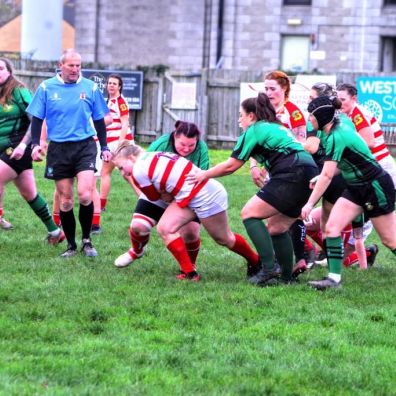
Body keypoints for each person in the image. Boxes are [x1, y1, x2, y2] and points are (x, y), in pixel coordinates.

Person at [189, 93, 318, 287]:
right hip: (310, 173)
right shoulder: (277, 127)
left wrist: (203, 174)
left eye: (241, 114)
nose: (239, 119)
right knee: (277, 228)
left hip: (292, 172)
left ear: (251, 116)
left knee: (249, 213)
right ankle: (286, 277)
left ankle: (268, 268)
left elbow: (231, 165)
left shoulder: (254, 129)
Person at [112, 140, 259, 281]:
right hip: (196, 193)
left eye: (121, 167)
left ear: (131, 158)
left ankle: (257, 262)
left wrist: (164, 192)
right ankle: (189, 273)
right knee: (165, 228)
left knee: (224, 238)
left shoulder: (138, 170)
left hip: (205, 196)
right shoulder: (154, 154)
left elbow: (152, 196)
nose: (122, 173)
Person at [301, 96, 396, 290]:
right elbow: (342, 164)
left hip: (374, 186)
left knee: (389, 240)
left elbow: (327, 174)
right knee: (331, 229)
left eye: (311, 116)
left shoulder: (337, 135)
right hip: (355, 187)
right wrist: (320, 177)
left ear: (322, 116)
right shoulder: (338, 123)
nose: (309, 121)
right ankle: (334, 280)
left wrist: (309, 204)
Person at [27, 49, 111, 258]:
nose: (75, 69)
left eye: (78, 66)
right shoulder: (46, 87)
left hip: (85, 146)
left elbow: (100, 119)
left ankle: (87, 241)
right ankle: (72, 245)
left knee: (84, 194)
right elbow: (37, 118)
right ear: (61, 65)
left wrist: (105, 147)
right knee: (65, 200)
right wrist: (36, 144)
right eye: (71, 65)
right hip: (59, 149)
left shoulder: (90, 88)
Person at [114, 121, 209, 269]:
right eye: (182, 144)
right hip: (158, 194)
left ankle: (190, 266)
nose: (186, 149)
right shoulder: (161, 144)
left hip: (186, 195)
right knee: (138, 225)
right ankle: (136, 251)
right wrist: (148, 195)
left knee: (190, 232)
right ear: (174, 136)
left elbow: (203, 177)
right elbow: (140, 172)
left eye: (191, 145)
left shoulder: (202, 148)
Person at [250, 70, 309, 278]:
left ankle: (293, 258)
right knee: (278, 222)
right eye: (265, 88)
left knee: (283, 217)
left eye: (272, 89)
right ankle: (285, 265)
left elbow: (302, 144)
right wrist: (254, 166)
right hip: (274, 171)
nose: (268, 92)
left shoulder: (294, 112)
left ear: (284, 89)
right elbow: (254, 141)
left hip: (291, 171)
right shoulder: (262, 111)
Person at [0, 57, 64, 243]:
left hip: (17, 149)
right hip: (4, 150)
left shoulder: (19, 91)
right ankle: (55, 232)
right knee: (29, 193)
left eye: (1, 68)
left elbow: (35, 119)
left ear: (9, 71)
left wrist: (25, 144)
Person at [336, 83, 396, 188]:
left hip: (379, 164)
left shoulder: (358, 114)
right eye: (337, 100)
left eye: (343, 100)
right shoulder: (348, 114)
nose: (339, 103)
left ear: (353, 98)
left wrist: (344, 149)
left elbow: (369, 143)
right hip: (370, 165)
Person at [100, 74, 133, 212]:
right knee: (109, 173)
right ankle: (101, 206)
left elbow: (125, 123)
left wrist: (120, 144)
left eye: (114, 83)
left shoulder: (120, 101)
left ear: (120, 86)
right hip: (111, 143)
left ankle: (147, 199)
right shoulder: (109, 101)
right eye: (109, 83)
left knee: (129, 174)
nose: (111, 85)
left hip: (119, 143)